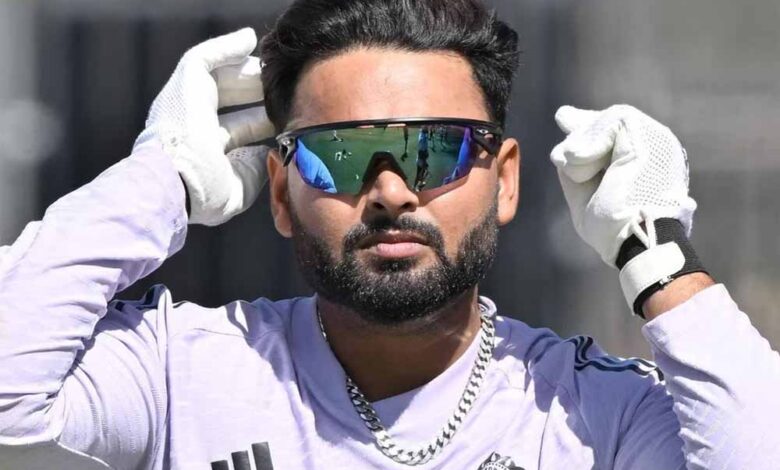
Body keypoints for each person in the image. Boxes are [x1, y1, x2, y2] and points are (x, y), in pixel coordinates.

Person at [0, 1, 779, 469]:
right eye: (339, 154)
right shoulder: (184, 374)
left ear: (505, 179)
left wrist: (656, 251)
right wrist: (160, 177)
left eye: (436, 149)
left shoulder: (590, 412)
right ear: (280, 192)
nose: (391, 191)